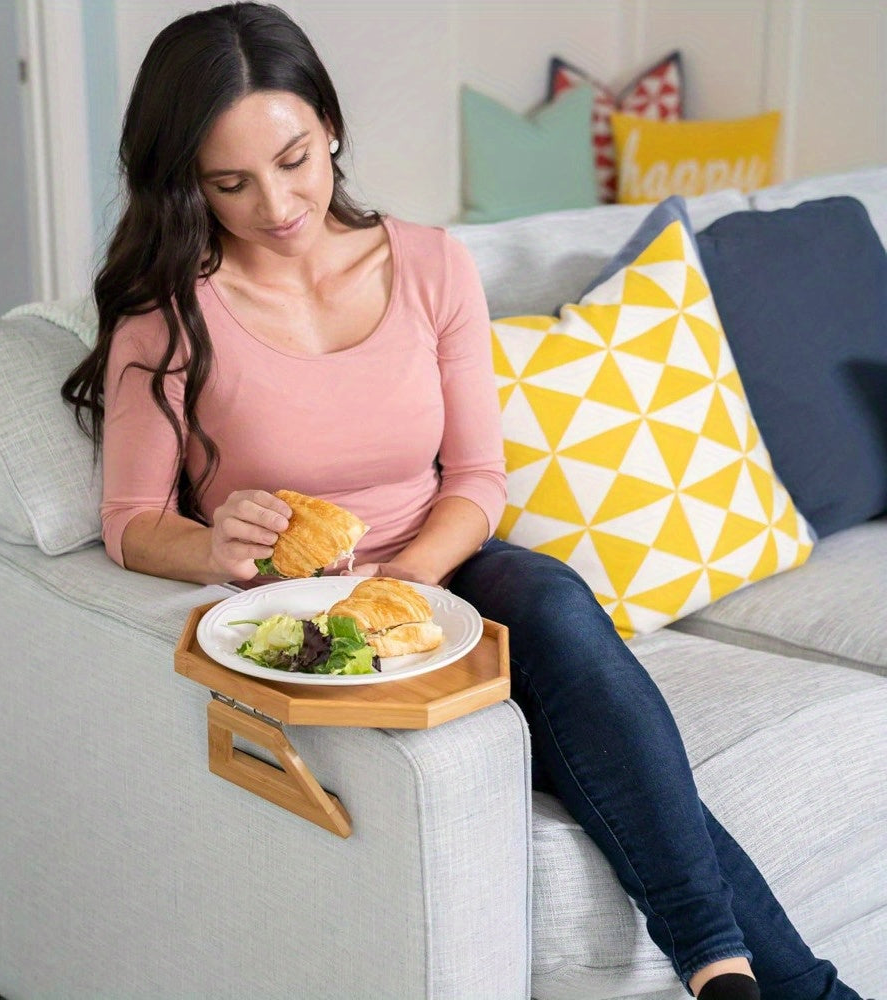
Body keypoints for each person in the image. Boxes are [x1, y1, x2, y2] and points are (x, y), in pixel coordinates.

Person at [61, 6, 866, 999]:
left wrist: (409, 585)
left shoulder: (430, 264)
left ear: (330, 127)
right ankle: (785, 987)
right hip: (300, 614)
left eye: (295, 159)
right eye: (230, 183)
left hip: (440, 567)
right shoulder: (169, 312)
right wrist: (213, 543)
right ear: (188, 180)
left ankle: (721, 970)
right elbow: (132, 522)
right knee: (599, 743)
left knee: (555, 604)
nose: (276, 203)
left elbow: (479, 478)